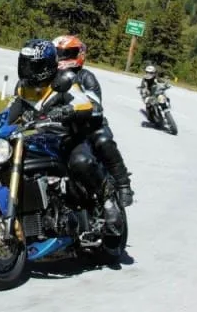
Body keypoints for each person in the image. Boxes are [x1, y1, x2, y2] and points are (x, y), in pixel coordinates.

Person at [6, 39, 123, 234]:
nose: (26, 69)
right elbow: (11, 111)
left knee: (81, 161)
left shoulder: (64, 80)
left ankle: (108, 200)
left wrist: (68, 110)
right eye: (24, 63)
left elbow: (84, 103)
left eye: (31, 64)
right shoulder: (23, 87)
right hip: (39, 137)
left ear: (46, 65)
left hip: (67, 137)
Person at [53, 34, 135, 207]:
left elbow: (95, 104)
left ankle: (123, 184)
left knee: (103, 140)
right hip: (61, 130)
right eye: (59, 53)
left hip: (89, 126)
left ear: (79, 54)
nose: (62, 57)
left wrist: (76, 110)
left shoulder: (85, 76)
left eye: (67, 53)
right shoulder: (51, 77)